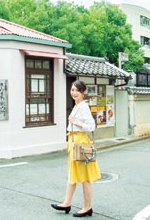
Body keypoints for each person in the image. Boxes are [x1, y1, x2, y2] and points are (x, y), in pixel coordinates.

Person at [51, 80, 101, 217]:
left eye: (76, 90)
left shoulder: (83, 107)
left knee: (85, 177)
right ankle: (66, 203)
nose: (73, 93)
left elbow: (92, 126)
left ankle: (87, 207)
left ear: (83, 92)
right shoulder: (77, 106)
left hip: (80, 142)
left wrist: (76, 122)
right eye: (72, 90)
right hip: (74, 142)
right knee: (73, 175)